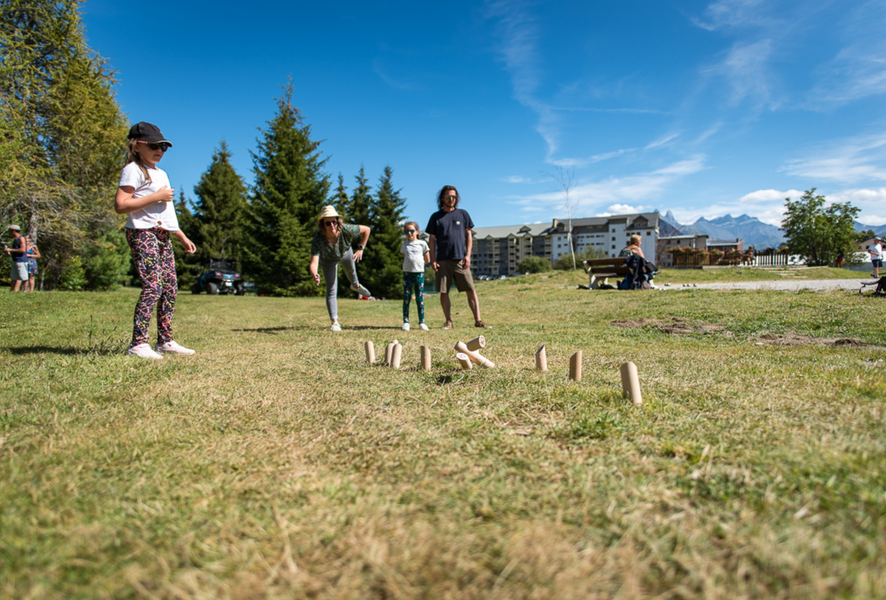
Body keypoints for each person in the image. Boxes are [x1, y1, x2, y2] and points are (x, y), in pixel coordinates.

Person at [114, 122, 196, 360]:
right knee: (153, 287)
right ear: (137, 145)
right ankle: (138, 344)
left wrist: (180, 234)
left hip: (162, 234)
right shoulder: (133, 169)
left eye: (163, 146)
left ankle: (165, 340)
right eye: (153, 145)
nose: (159, 150)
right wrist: (155, 196)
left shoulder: (162, 174)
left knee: (170, 288)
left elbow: (166, 211)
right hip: (142, 232)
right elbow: (121, 205)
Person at [426, 185, 487, 329]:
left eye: (454, 197)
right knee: (444, 291)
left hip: (460, 259)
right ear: (442, 199)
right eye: (448, 197)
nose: (451, 199)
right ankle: (448, 321)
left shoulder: (463, 214)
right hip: (442, 260)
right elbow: (431, 241)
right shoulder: (436, 217)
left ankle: (478, 320)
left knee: (471, 289)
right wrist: (433, 260)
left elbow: (468, 236)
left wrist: (468, 256)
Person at [308, 206, 371, 332]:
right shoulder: (318, 239)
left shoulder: (346, 229)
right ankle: (335, 322)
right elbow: (314, 262)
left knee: (352, 273)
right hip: (328, 260)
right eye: (328, 223)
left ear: (338, 221)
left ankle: (355, 285)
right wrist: (315, 273)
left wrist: (360, 248)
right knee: (331, 289)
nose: (332, 225)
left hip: (345, 252)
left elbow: (367, 230)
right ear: (322, 224)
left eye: (334, 222)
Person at [400, 221, 430, 331]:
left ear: (417, 231)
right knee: (407, 297)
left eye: (412, 231)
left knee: (419, 298)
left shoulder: (422, 244)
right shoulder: (404, 245)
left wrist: (419, 265)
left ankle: (422, 322)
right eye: (406, 231)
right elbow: (405, 257)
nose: (409, 233)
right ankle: (406, 321)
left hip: (419, 273)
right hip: (407, 273)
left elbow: (427, 259)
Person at [5, 225, 29, 292]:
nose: (9, 232)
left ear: (13, 231)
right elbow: (16, 249)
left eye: (10, 231)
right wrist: (9, 251)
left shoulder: (21, 238)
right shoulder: (15, 239)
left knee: (23, 277)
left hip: (21, 260)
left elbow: (23, 250)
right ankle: (12, 290)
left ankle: (25, 290)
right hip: (15, 260)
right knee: (14, 277)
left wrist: (11, 250)